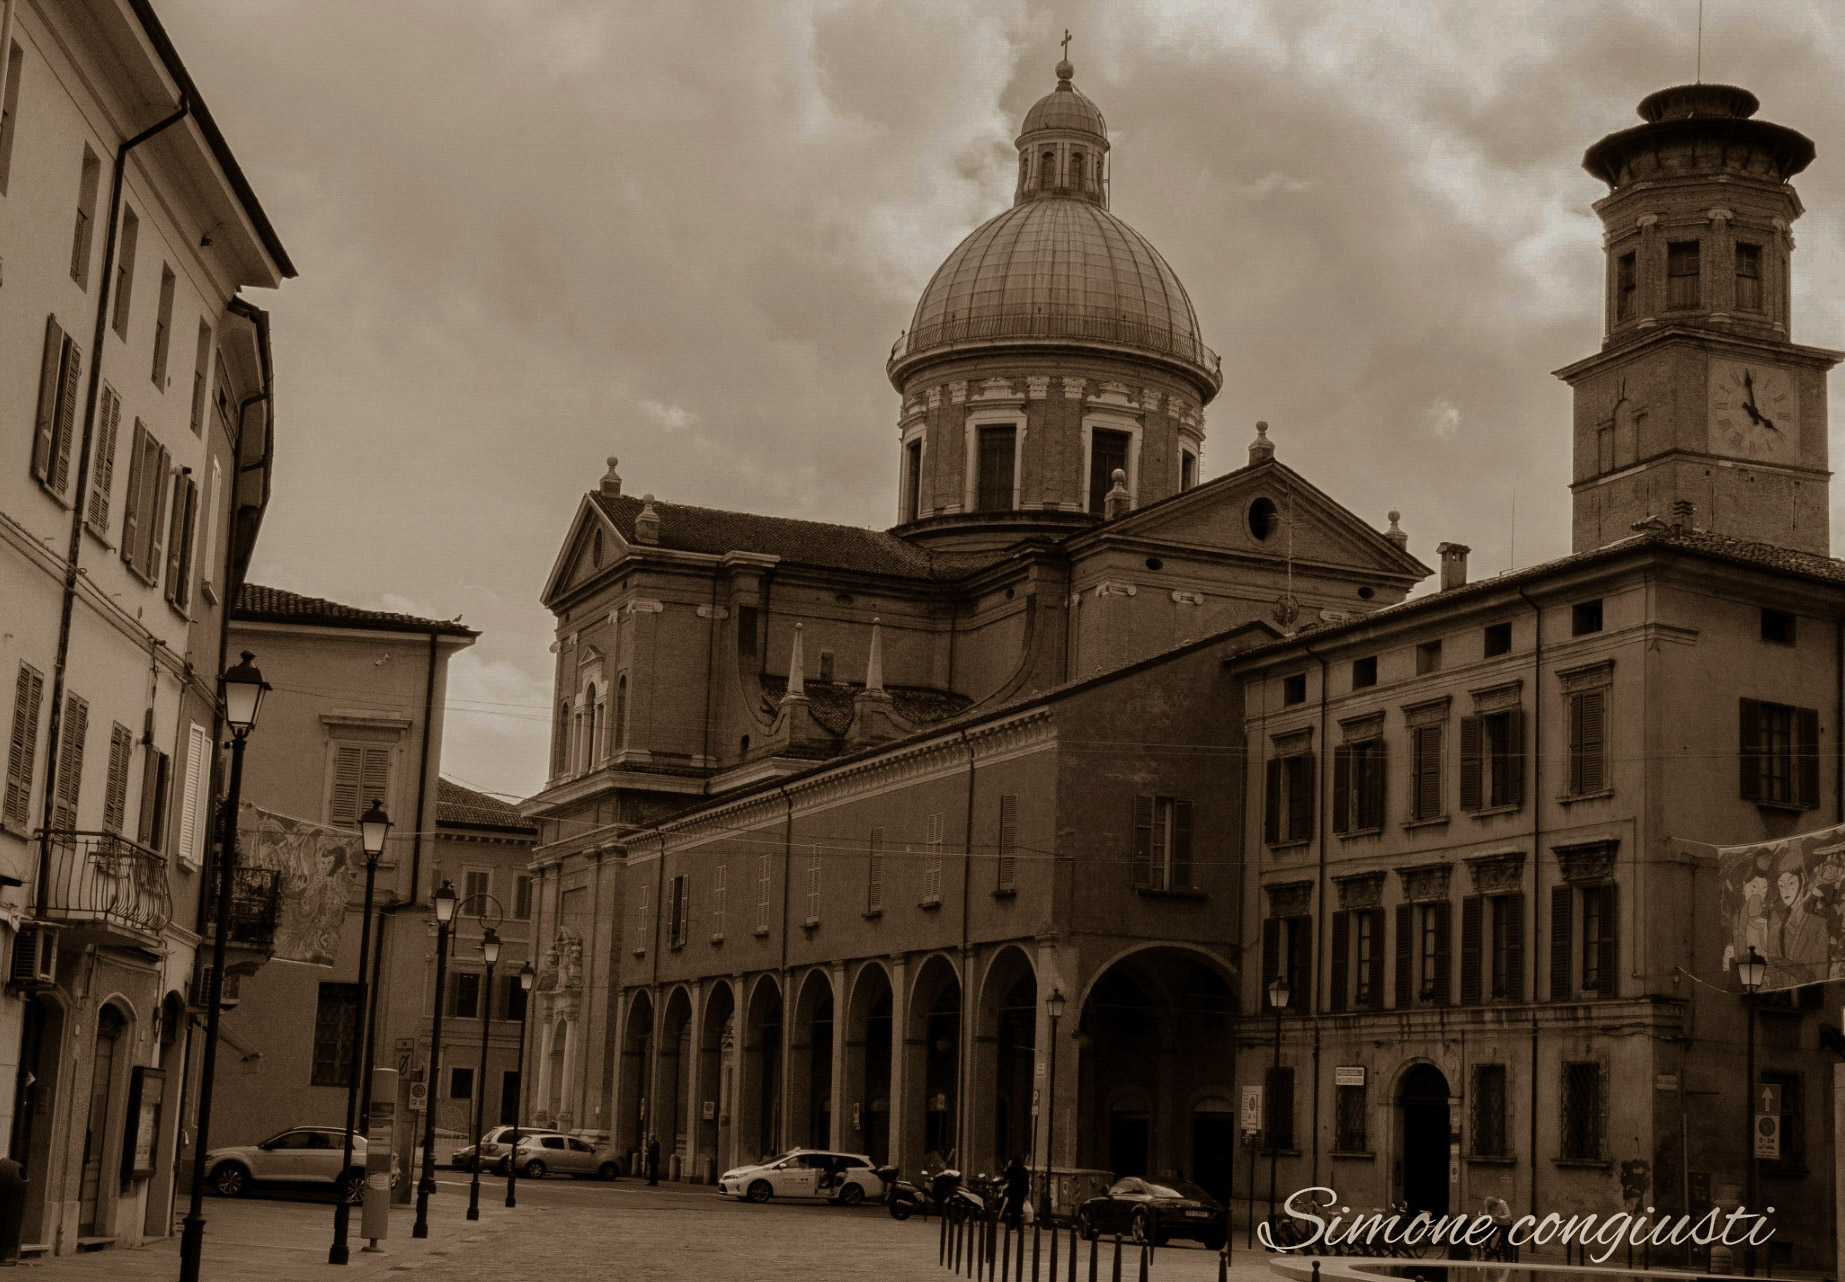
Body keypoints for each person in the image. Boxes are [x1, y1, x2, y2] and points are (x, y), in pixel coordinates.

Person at [1002, 1155, 1029, 1229]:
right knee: (1019, 1208)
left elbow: (1005, 1176)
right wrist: (1026, 1193)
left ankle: (1012, 1224)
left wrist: (1008, 1166)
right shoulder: (1024, 1170)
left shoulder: (1011, 1169)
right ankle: (1019, 1224)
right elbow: (1026, 1182)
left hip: (1012, 1191)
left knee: (1011, 1208)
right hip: (1021, 1193)